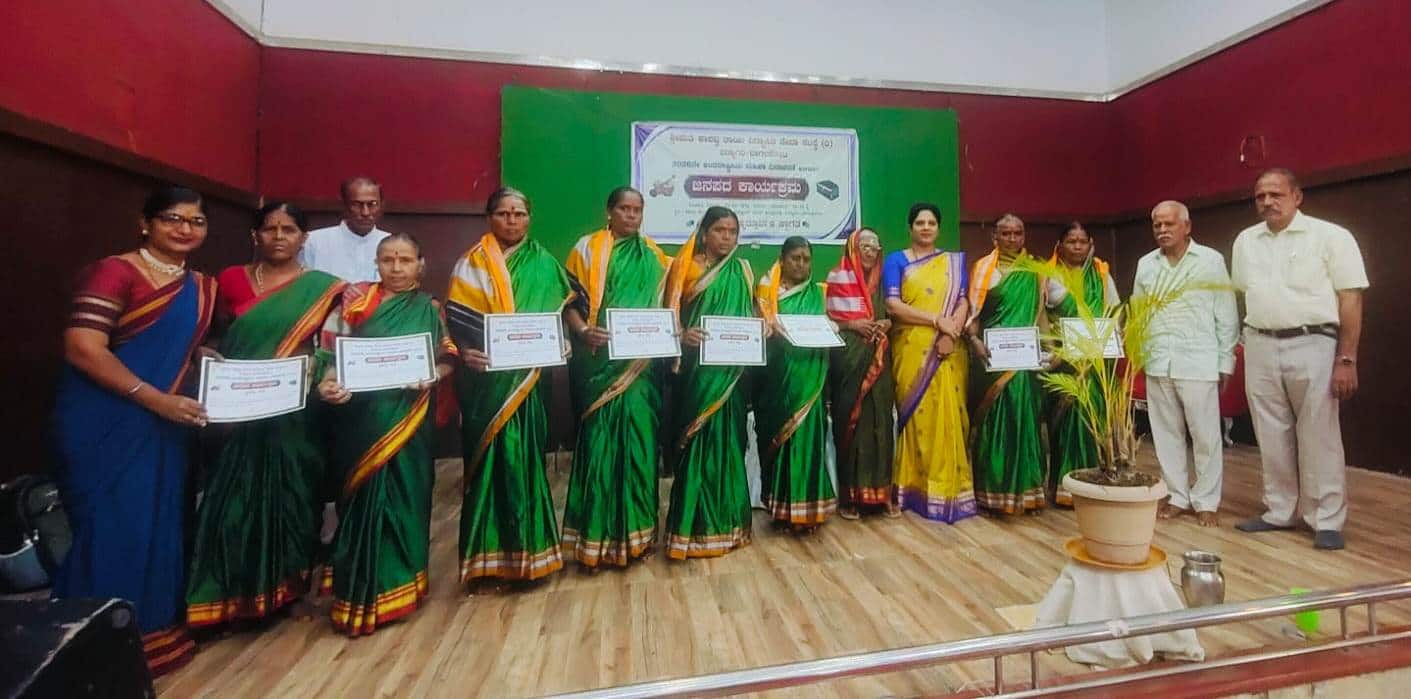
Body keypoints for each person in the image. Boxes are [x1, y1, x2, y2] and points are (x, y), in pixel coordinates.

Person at [51, 185, 217, 675]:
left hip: (165, 424)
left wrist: (206, 360)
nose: (185, 229)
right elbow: (84, 348)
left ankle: (151, 637)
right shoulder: (115, 272)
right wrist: (156, 400)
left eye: (196, 221)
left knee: (157, 522)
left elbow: (178, 346)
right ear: (145, 223)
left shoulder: (198, 285)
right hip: (105, 418)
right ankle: (91, 649)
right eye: (172, 219)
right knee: (110, 526)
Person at [186, 202, 347, 628]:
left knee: (294, 498)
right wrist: (204, 354)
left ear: (303, 238)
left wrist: (316, 369)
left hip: (296, 411)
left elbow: (331, 347)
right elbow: (210, 335)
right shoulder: (229, 280)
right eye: (270, 229)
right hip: (236, 410)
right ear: (254, 235)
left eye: (288, 229)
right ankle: (223, 596)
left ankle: (288, 591)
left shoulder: (325, 288)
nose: (279, 237)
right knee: (231, 500)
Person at [315, 233, 455, 635]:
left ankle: (402, 587)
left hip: (409, 419)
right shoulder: (353, 302)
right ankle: (356, 591)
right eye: (388, 260)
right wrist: (327, 383)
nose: (396, 268)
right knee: (361, 502)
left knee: (407, 497)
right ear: (376, 263)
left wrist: (434, 375)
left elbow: (448, 356)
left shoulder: (430, 308)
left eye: (405, 260)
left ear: (420, 265)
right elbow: (329, 353)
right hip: (360, 420)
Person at [1231, 169, 1368, 550]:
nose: (1267, 202)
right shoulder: (1245, 241)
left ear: (1297, 196)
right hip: (1260, 342)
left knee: (1319, 432)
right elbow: (1244, 292)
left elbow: (1351, 299)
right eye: (1260, 196)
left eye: (1276, 194)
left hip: (1313, 343)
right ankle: (1279, 510)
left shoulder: (1331, 237)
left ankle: (1326, 519)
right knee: (1269, 430)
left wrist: (1347, 358)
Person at [451, 187, 575, 584]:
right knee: (490, 465)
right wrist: (466, 352)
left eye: (519, 213)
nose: (512, 220)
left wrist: (563, 341)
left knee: (526, 461)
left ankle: (533, 555)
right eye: (504, 213)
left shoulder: (545, 262)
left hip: (529, 382)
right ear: (490, 217)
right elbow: (459, 323)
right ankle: (487, 560)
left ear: (529, 218)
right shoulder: (470, 264)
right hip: (487, 383)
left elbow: (560, 312)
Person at [559, 187, 671, 569]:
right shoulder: (587, 249)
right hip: (599, 363)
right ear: (609, 211)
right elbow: (569, 302)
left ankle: (638, 536)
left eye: (637, 209)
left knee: (640, 444)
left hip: (641, 369)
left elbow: (668, 306)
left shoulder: (655, 255)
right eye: (624, 208)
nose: (631, 215)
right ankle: (594, 538)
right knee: (600, 444)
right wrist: (582, 331)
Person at [1134, 201, 1238, 527]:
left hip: (1199, 360)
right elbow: (1138, 311)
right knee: (1166, 435)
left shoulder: (1210, 260)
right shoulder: (1146, 264)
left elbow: (1226, 312)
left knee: (1205, 435)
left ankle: (1207, 501)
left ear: (1187, 226)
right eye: (1157, 225)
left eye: (1169, 224)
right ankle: (1177, 496)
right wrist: (1140, 353)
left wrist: (1226, 360)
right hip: (1158, 360)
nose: (1162, 230)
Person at [663, 206, 755, 558]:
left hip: (732, 374)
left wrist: (760, 326)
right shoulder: (684, 267)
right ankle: (690, 530)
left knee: (730, 444)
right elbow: (667, 313)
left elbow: (752, 312)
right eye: (719, 230)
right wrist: (682, 334)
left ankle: (730, 527)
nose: (726, 237)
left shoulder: (743, 269)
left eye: (732, 231)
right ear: (704, 233)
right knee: (697, 442)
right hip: (697, 373)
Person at [884, 203, 975, 523]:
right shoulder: (896, 260)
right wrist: (937, 320)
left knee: (949, 417)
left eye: (931, 223)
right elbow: (892, 305)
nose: (925, 228)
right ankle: (913, 489)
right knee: (916, 418)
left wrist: (952, 331)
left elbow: (963, 300)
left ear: (938, 228)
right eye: (920, 223)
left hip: (949, 347)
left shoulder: (953, 262)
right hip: (913, 347)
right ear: (910, 228)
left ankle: (950, 490)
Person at [966, 214, 1046, 515]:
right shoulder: (983, 269)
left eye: (1017, 233)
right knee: (995, 423)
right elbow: (973, 315)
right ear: (994, 237)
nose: (1012, 238)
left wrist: (1046, 350)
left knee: (1025, 422)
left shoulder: (1036, 271)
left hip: (1025, 362)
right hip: (991, 360)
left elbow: (1040, 315)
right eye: (1006, 233)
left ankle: (1028, 493)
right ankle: (992, 493)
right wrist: (973, 341)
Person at [755, 236, 836, 532]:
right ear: (782, 259)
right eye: (795, 258)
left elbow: (831, 323)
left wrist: (832, 326)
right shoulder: (766, 294)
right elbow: (758, 329)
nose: (801, 264)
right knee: (778, 440)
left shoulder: (819, 292)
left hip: (810, 380)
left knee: (808, 439)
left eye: (806, 259)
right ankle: (781, 507)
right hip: (776, 380)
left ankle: (808, 510)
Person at [1044, 222, 1120, 506]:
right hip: (1062, 362)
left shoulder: (1101, 273)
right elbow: (1039, 314)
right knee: (1065, 423)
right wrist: (1051, 349)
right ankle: (1064, 487)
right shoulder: (1047, 274)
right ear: (1060, 245)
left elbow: (1113, 312)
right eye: (1071, 241)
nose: (1077, 246)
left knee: (1093, 419)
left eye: (1082, 241)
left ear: (1090, 244)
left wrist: (1112, 341)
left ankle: (1096, 483)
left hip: (1096, 362)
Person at [826, 228, 896, 519]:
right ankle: (850, 497)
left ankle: (882, 495)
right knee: (851, 423)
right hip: (849, 358)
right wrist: (852, 325)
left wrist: (887, 324)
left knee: (881, 421)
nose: (869, 251)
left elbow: (891, 314)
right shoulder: (837, 278)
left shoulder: (885, 282)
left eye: (874, 246)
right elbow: (829, 320)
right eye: (864, 246)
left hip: (879, 357)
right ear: (853, 249)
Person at [300, 176, 392, 283]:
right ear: (343, 205)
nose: (365, 212)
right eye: (356, 204)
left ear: (382, 205)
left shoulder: (392, 243)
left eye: (373, 204)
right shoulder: (314, 242)